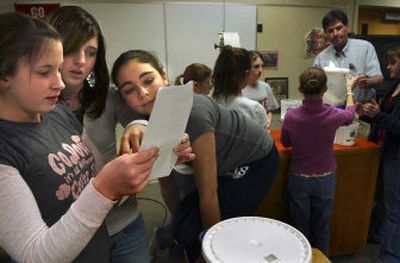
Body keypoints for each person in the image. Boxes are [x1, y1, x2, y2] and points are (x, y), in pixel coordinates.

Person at [0, 12, 160, 263]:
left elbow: (96, 173)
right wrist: (107, 187)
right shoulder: (8, 145)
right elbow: (34, 255)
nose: (60, 83)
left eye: (91, 52)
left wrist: (147, 156)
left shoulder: (58, 112)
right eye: (44, 72)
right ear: (4, 76)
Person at [111, 49, 280, 262]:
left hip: (257, 160)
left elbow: (208, 193)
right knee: (182, 227)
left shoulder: (193, 112)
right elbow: (167, 183)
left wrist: (209, 253)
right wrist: (178, 223)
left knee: (198, 236)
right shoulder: (147, 120)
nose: (143, 93)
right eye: (129, 90)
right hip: (225, 163)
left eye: (148, 80)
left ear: (164, 75)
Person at [46, 6, 152, 262]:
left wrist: (137, 125)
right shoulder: (36, 105)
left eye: (90, 52)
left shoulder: (105, 97)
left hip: (123, 224)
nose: (81, 60)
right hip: (70, 234)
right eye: (71, 48)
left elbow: (146, 122)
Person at [280, 67, 356, 255]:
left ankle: (302, 258)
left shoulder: (291, 116)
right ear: (325, 89)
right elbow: (350, 115)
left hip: (299, 177)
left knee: (300, 228)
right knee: (322, 228)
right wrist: (349, 90)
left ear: (300, 90)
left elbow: (285, 142)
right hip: (325, 177)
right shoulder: (333, 115)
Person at [358, 45, 400, 263]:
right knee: (382, 202)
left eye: (393, 62)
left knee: (395, 210)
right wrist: (370, 113)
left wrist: (379, 115)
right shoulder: (395, 86)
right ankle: (380, 240)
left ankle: (391, 257)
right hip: (385, 151)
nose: (387, 67)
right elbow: (384, 116)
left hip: (397, 157)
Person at [313, 9, 383, 101]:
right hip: (333, 110)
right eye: (330, 31)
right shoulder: (321, 58)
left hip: (362, 108)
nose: (335, 33)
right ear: (326, 34)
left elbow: (379, 79)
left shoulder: (365, 47)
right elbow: (314, 86)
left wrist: (366, 82)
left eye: (339, 28)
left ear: (347, 27)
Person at [212, 46, 269, 130]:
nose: (260, 70)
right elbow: (263, 141)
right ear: (246, 73)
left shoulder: (209, 103)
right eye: (256, 66)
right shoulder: (254, 109)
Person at [242, 50, 279, 131]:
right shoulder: (239, 88)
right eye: (256, 66)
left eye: (262, 66)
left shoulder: (265, 87)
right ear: (247, 68)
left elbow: (269, 110)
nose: (260, 70)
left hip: (263, 133)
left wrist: (268, 123)